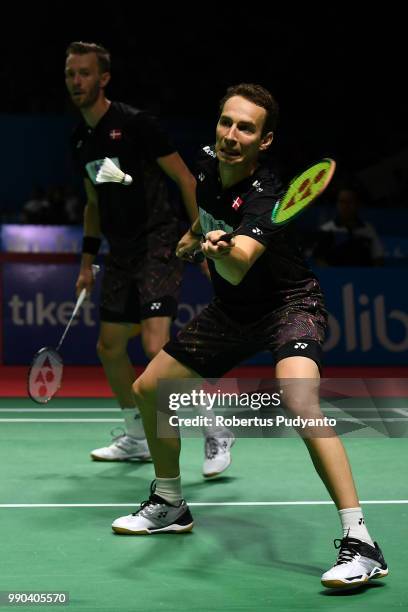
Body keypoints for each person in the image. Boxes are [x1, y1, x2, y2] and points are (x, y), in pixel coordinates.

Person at [111, 84, 388, 590]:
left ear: (265, 140)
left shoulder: (268, 192)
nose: (231, 135)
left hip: (289, 304)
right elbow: (209, 223)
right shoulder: (207, 170)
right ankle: (170, 502)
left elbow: (238, 267)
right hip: (233, 312)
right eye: (226, 122)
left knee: (299, 398)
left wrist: (218, 251)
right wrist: (196, 238)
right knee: (150, 388)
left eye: (246, 128)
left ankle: (361, 542)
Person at [65, 41, 233, 477]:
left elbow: (185, 180)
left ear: (103, 78)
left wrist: (199, 236)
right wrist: (86, 262)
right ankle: (136, 435)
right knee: (109, 347)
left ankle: (215, 429)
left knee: (156, 346)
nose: (76, 81)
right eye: (70, 74)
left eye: (84, 73)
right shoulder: (81, 139)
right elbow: (92, 204)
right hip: (120, 252)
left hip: (159, 241)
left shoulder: (136, 124)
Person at [313, 184, 384, 266]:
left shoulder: (368, 230)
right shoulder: (326, 229)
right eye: (342, 202)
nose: (345, 206)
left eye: (350, 201)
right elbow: (319, 260)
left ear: (357, 204)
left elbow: (378, 259)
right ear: (337, 204)